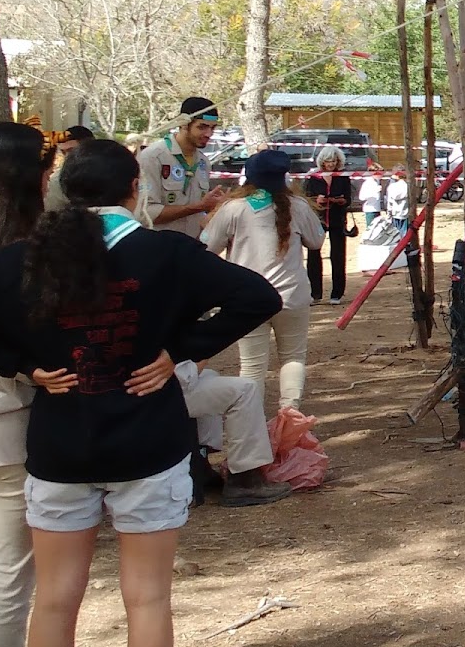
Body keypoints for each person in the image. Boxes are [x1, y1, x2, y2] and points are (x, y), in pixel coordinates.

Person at [0, 138, 282, 647]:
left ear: (62, 190)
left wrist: (22, 365)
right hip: (149, 440)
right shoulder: (168, 253)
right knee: (148, 599)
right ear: (135, 187)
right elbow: (259, 297)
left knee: (54, 601)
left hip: (60, 445)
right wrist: (178, 350)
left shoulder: (19, 261)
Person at [0, 122, 53, 647]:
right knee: (8, 576)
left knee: (0, 567)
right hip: (8, 423)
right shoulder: (26, 252)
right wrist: (24, 365)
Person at [200, 150, 324, 412]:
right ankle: (290, 414)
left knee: (252, 364)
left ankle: (251, 420)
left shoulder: (234, 208)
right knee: (293, 357)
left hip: (248, 299)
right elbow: (316, 241)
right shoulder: (299, 206)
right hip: (292, 295)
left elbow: (207, 246)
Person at [174, 360, 290, 507]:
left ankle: (200, 463)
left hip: (160, 390)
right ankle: (244, 480)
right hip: (161, 395)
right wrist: (203, 354)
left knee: (210, 375)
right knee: (245, 390)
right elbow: (184, 377)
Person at [135, 96, 226, 235]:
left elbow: (201, 213)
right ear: (183, 124)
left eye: (212, 128)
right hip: (159, 243)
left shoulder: (203, 162)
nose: (209, 134)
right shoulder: (152, 157)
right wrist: (198, 207)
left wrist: (218, 205)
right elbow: (145, 213)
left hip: (191, 243)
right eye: (202, 127)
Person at [303, 145, 353, 305]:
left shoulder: (343, 177)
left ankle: (337, 293)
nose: (331, 164)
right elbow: (306, 198)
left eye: (334, 161)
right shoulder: (313, 177)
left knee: (338, 255)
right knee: (313, 254)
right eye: (328, 161)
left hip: (337, 219)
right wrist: (316, 200)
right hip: (318, 220)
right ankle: (315, 293)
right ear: (322, 161)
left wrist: (342, 200)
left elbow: (349, 199)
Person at [42, 125, 92, 213]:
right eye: (63, 152)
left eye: (71, 150)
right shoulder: (56, 180)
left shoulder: (109, 173)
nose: (67, 156)